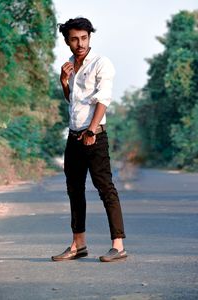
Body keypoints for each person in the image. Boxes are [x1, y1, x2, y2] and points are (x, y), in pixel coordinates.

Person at [51, 17, 127, 262]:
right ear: (67, 42)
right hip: (73, 137)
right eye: (74, 39)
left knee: (105, 188)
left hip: (94, 136)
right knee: (74, 190)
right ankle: (78, 245)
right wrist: (64, 82)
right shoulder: (70, 66)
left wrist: (92, 131)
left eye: (84, 38)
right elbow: (73, 101)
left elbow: (103, 99)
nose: (80, 43)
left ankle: (118, 245)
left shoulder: (101, 63)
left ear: (89, 38)